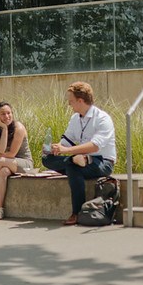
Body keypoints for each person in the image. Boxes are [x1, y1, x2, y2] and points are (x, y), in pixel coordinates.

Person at [42, 81, 116, 225]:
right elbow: (67, 141)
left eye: (71, 101)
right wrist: (56, 148)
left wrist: (67, 151)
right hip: (80, 159)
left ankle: (76, 213)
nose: (69, 105)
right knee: (47, 159)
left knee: (72, 168)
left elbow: (95, 146)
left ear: (80, 101)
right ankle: (76, 160)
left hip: (102, 162)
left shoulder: (102, 119)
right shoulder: (75, 118)